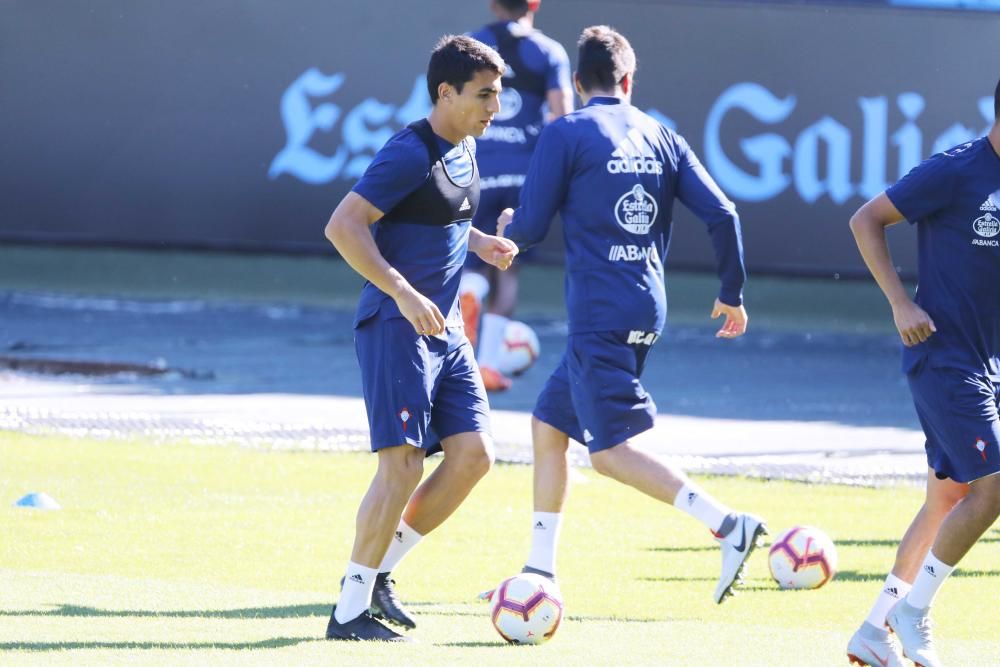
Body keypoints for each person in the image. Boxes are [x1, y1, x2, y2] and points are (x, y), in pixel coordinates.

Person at [495, 25, 767, 606]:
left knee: (608, 452)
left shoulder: (566, 132)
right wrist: (732, 291)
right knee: (548, 427)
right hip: (644, 302)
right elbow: (723, 214)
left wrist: (506, 232)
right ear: (628, 80)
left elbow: (533, 228)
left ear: (576, 81)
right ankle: (539, 570)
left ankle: (727, 525)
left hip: (599, 311)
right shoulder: (662, 135)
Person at [323, 35, 516, 642]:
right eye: (484, 95)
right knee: (402, 466)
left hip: (447, 333)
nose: (495, 107)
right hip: (396, 327)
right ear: (445, 92)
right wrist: (404, 293)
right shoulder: (409, 151)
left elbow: (444, 214)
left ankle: (380, 573)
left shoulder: (466, 148)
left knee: (473, 457)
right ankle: (349, 612)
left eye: (499, 93)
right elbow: (343, 225)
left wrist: (481, 242)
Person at [845, 79, 1000, 667]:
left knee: (947, 498)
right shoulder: (954, 170)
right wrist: (899, 303)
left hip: (987, 362)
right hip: (944, 357)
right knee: (993, 489)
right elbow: (866, 220)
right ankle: (914, 612)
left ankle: (873, 629)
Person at [460, 0, 573, 391]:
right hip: (525, 176)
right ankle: (489, 363)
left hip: (480, 169)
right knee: (508, 265)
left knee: (472, 257)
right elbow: (562, 117)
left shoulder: (472, 45)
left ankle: (470, 293)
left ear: (493, 5)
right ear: (535, 4)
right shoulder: (549, 52)